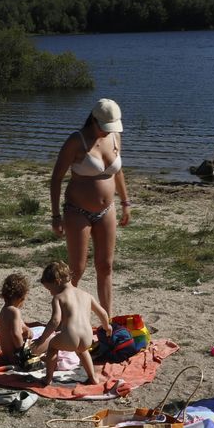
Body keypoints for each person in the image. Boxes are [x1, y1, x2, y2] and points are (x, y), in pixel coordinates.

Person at [49, 98, 131, 317]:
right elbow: (56, 178)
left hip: (107, 210)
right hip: (77, 211)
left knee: (105, 266)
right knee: (77, 268)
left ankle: (107, 320)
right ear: (94, 120)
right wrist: (56, 216)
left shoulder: (115, 137)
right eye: (104, 127)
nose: (106, 132)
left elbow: (118, 172)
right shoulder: (76, 141)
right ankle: (66, 316)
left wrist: (125, 202)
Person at [31, 261, 108, 386]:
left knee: (52, 346)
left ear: (57, 282)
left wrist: (42, 338)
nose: (51, 293)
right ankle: (93, 377)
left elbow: (55, 321)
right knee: (83, 351)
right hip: (88, 338)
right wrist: (107, 327)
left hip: (70, 337)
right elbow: (103, 314)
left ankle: (48, 378)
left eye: (50, 289)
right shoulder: (86, 295)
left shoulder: (59, 297)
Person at [0, 273, 33, 365]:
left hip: (7, 355)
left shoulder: (5, 310)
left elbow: (21, 325)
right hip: (15, 357)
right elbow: (15, 334)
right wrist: (22, 353)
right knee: (49, 340)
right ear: (21, 298)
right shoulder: (15, 311)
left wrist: (26, 329)